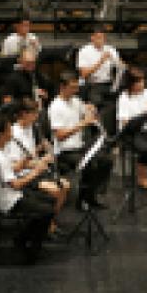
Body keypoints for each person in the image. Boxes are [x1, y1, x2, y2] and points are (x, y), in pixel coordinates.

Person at [0, 115, 56, 261]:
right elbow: (16, 184)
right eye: (9, 130)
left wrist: (26, 161)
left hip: (11, 194)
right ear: (0, 134)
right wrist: (36, 171)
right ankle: (28, 247)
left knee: (49, 200)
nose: (11, 133)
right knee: (47, 211)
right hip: (8, 201)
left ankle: (25, 237)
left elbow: (12, 170)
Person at [2, 100, 70, 235]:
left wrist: (42, 148)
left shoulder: (30, 128)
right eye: (34, 114)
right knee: (56, 190)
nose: (37, 117)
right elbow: (16, 165)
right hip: (23, 175)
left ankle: (49, 222)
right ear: (23, 114)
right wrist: (39, 162)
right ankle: (48, 226)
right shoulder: (14, 133)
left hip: (34, 170)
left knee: (66, 185)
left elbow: (29, 153)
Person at [48, 72, 113, 211]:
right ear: (62, 87)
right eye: (72, 88)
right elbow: (59, 136)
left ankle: (92, 195)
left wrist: (90, 110)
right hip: (64, 151)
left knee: (106, 160)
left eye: (77, 87)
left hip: (79, 146)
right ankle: (82, 200)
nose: (76, 91)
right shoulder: (55, 106)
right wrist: (82, 124)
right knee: (91, 164)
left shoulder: (75, 101)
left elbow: (86, 111)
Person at [76, 26, 122, 109]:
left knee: (122, 96)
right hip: (92, 84)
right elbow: (84, 74)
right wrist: (101, 61)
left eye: (103, 38)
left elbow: (122, 67)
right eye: (98, 38)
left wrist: (119, 63)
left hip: (109, 83)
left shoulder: (111, 49)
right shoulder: (84, 51)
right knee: (96, 100)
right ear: (92, 38)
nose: (101, 40)